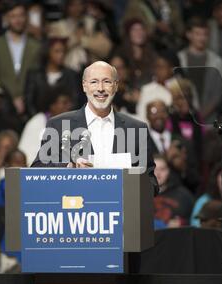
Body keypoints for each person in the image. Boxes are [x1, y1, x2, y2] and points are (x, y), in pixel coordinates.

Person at [31, 61, 158, 195]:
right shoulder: (60, 125)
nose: (100, 88)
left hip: (122, 212)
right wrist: (69, 168)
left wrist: (130, 179)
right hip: (76, 210)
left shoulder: (137, 129)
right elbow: (37, 171)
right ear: (84, 86)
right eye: (94, 82)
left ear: (116, 86)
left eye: (107, 81)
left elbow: (152, 184)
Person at [0, 2, 41, 119]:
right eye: (13, 16)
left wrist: (24, 98)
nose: (18, 20)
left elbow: (38, 78)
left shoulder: (36, 47)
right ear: (6, 18)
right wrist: (10, 100)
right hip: (2, 106)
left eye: (21, 16)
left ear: (26, 17)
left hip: (30, 106)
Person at [24, 37, 82, 115]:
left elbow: (76, 102)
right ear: (48, 52)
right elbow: (29, 103)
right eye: (57, 51)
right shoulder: (35, 75)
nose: (61, 55)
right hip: (40, 121)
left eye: (63, 51)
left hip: (65, 121)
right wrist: (41, 119)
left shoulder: (71, 76)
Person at [19, 87, 73, 167]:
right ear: (52, 105)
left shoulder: (68, 123)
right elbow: (26, 155)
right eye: (64, 103)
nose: (69, 106)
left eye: (69, 103)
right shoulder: (37, 122)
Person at [153, 155, 194, 228]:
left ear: (169, 171)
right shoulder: (139, 194)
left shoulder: (183, 195)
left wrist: (181, 223)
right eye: (154, 169)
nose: (158, 173)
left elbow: (193, 221)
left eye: (162, 169)